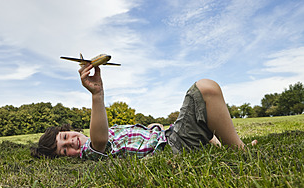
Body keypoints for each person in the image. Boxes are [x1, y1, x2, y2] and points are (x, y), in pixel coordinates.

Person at [31, 64, 257, 160]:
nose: (71, 144)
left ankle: (217, 143)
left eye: (64, 138)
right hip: (171, 146)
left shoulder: (106, 131)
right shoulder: (90, 151)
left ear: (69, 130)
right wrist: (97, 94)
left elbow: (136, 135)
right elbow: (100, 141)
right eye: (64, 151)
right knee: (205, 89)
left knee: (203, 114)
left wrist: (153, 127)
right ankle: (239, 150)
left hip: (167, 136)